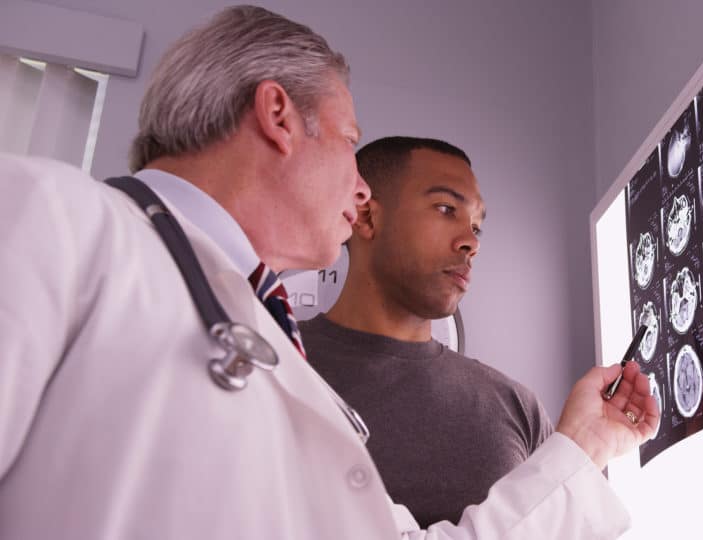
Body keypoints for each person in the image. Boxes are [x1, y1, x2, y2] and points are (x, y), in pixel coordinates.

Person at [0, 5, 659, 539]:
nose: (361, 189)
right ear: (278, 116)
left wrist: (586, 444)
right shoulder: (43, 215)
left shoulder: (274, 354)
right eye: (350, 141)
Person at [299, 136, 553, 525]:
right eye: (446, 208)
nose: (470, 242)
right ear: (366, 217)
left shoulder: (518, 408)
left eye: (476, 227)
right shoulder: (275, 365)